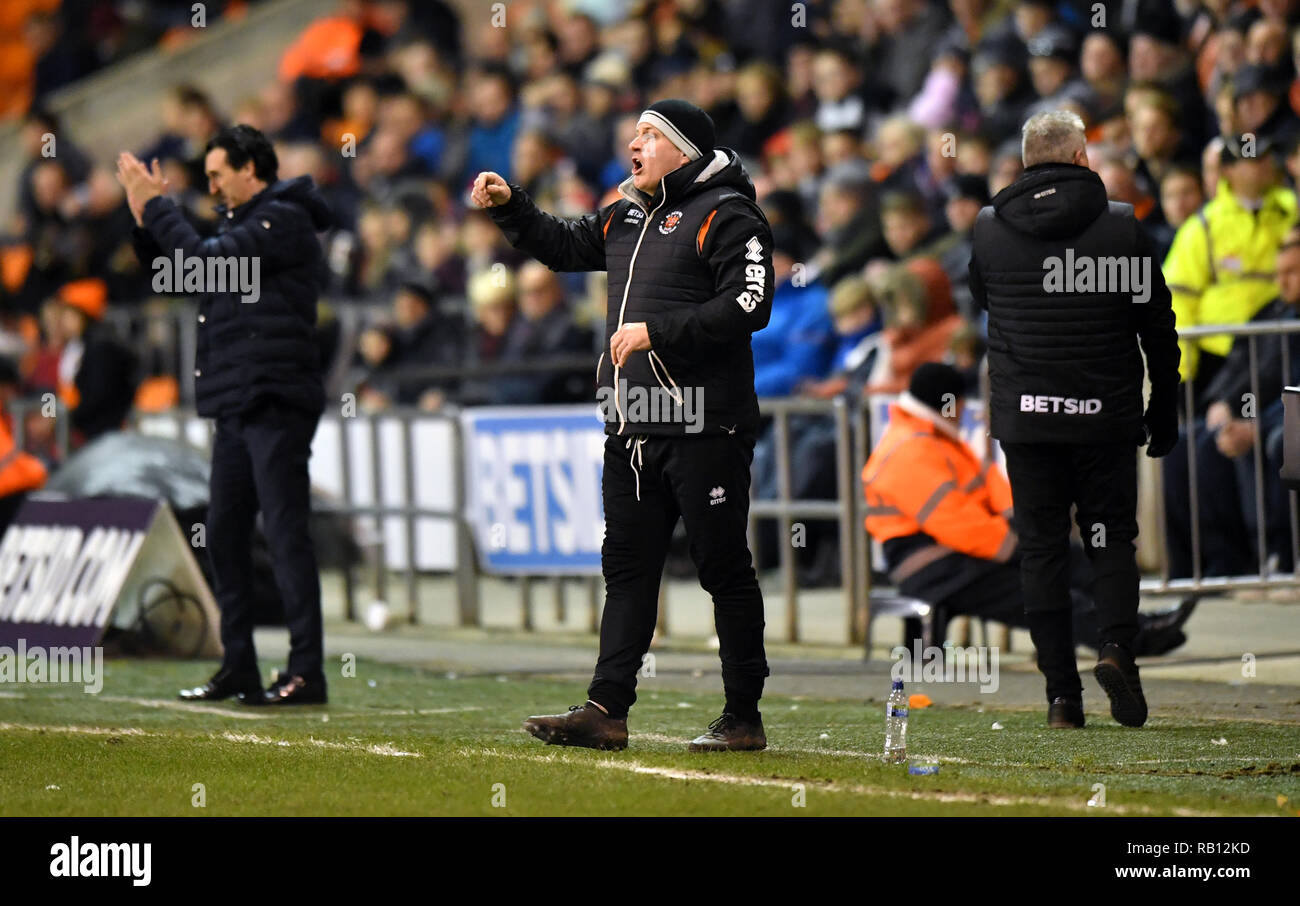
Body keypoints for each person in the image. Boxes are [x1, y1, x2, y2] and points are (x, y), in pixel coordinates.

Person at [473, 99, 774, 752]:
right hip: (633, 431)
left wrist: (655, 330)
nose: (632, 143)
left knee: (723, 569)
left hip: (704, 428)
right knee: (628, 572)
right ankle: (606, 710)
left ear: (684, 149)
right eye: (632, 133)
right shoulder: (625, 214)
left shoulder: (730, 214)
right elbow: (561, 246)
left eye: (648, 134)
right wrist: (510, 207)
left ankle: (743, 717)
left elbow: (751, 304)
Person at [969, 110, 1181, 729]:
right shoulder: (1121, 226)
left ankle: (1062, 698)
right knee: (1111, 536)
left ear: (1026, 161)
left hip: (1027, 418)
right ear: (1084, 158)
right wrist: (1162, 406)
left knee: (1040, 552)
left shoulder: (987, 228)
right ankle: (1117, 648)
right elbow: (1158, 326)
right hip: (1104, 416)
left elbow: (984, 298)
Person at [119, 124, 332, 706]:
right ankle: (238, 663)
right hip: (239, 402)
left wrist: (158, 205)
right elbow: (182, 272)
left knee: (285, 534)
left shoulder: (281, 219)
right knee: (224, 534)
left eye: (217, 173)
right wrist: (146, 221)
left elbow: (200, 263)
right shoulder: (244, 225)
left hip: (274, 398)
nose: (210, 184)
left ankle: (306, 671)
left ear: (250, 169)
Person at [864, 363, 1196, 662]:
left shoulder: (929, 440)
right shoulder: (912, 449)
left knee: (1071, 560)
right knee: (1046, 588)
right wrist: (1018, 546)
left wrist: (1031, 525)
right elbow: (959, 524)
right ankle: (1135, 639)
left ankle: (1137, 623)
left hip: (958, 558)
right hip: (938, 567)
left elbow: (993, 492)